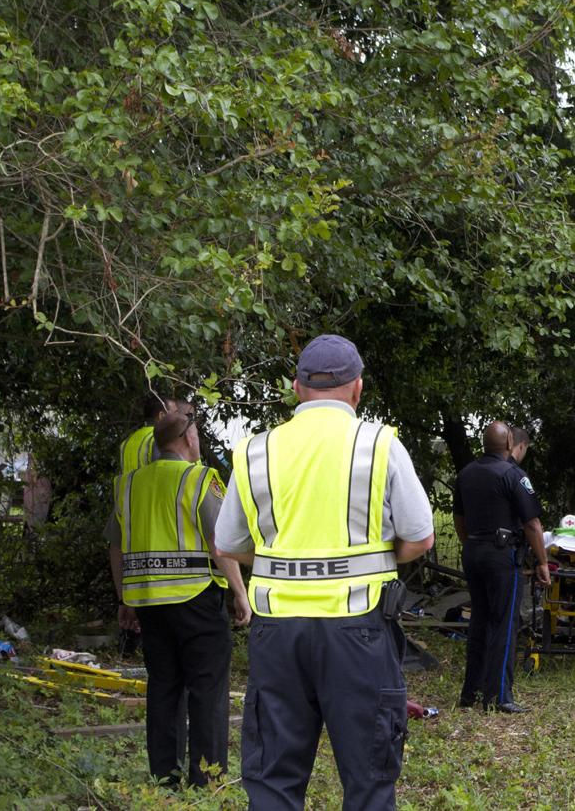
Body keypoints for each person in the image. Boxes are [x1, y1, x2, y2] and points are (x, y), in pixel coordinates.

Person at [214, 334, 435, 810]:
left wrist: (285, 564)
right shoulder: (378, 444)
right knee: (369, 778)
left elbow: (229, 544)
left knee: (273, 779)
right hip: (360, 632)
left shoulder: (255, 451)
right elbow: (420, 537)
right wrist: (373, 559)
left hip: (277, 634)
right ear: (357, 388)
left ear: (297, 388)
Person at [107, 400, 251, 786]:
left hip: (149, 603)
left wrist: (124, 598)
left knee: (164, 687)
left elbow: (116, 547)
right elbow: (220, 542)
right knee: (207, 689)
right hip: (196, 599)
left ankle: (164, 778)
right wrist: (240, 592)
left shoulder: (129, 485)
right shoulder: (199, 480)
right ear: (188, 438)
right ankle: (208, 780)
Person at [454, 421, 550, 713]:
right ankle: (499, 697)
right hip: (501, 555)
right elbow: (532, 524)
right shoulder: (513, 475)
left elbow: (459, 519)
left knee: (479, 621)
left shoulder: (466, 474)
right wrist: (542, 562)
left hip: (473, 551)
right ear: (509, 443)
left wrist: (473, 544)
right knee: (505, 623)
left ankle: (471, 692)